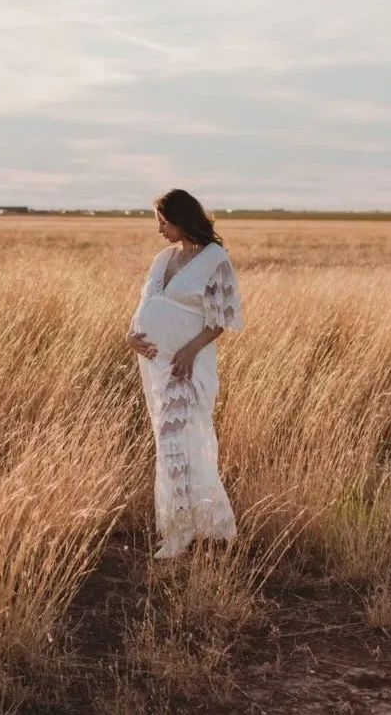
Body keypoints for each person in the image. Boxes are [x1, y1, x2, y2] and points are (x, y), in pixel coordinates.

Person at [127, 189, 244, 559]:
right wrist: (131, 336)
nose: (159, 229)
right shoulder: (163, 259)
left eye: (164, 221)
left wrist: (190, 350)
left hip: (186, 366)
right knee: (174, 444)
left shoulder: (214, 260)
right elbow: (145, 305)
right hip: (156, 364)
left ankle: (182, 533)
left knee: (175, 441)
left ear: (182, 218)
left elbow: (222, 318)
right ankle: (203, 524)